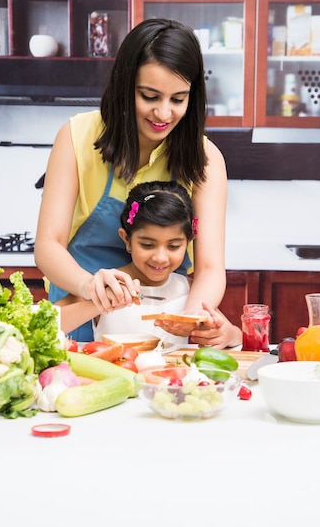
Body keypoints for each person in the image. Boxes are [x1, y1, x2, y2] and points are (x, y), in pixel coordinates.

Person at [34, 18, 228, 342]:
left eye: (178, 99)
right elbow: (47, 245)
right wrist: (89, 287)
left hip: (161, 324)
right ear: (126, 87)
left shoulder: (206, 159)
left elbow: (209, 267)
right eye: (150, 96)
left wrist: (192, 316)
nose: (164, 114)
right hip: (80, 316)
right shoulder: (76, 137)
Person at [57, 181, 242, 349]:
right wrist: (101, 301)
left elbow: (235, 336)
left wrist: (228, 334)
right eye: (147, 245)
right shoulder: (108, 284)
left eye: (174, 246)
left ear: (189, 242)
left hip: (171, 382)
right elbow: (48, 324)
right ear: (127, 240)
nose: (160, 257)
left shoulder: (190, 290)